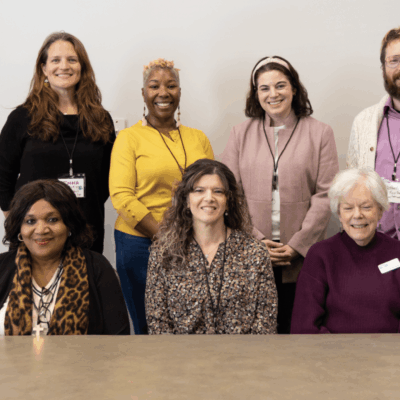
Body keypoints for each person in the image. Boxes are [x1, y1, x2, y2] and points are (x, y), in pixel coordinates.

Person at [222, 56, 339, 334]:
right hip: (251, 251)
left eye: (280, 85)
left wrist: (298, 244)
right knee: (255, 334)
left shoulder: (320, 133)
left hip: (301, 255)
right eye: (264, 88)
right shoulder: (240, 134)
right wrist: (258, 240)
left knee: (296, 330)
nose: (273, 94)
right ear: (256, 94)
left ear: (294, 88)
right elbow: (230, 195)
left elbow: (326, 194)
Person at [109, 58, 214, 335]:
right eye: (154, 86)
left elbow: (211, 190)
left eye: (171, 85)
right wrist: (165, 237)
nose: (163, 92)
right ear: (143, 94)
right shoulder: (128, 139)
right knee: (148, 326)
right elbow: (121, 196)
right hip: (139, 244)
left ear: (180, 92)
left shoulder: (198, 138)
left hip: (193, 242)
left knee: (190, 322)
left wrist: (190, 237)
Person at [0, 32, 115, 254]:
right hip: (37, 235)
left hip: (86, 229)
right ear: (44, 69)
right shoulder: (22, 117)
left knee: (82, 288)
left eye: (72, 60)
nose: (64, 66)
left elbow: (107, 178)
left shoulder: (101, 119)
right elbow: (2, 175)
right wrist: (19, 219)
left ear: (82, 67)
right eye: (55, 60)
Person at [145, 159, 277, 334]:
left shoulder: (255, 252)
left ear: (228, 201)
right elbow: (157, 323)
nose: (209, 198)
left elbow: (266, 321)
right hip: (180, 358)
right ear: (185, 199)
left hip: (244, 358)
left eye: (218, 191)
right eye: (199, 190)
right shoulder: (163, 253)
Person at [0, 180, 129, 336]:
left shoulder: (97, 267)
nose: (41, 230)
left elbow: (118, 341)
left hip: (85, 360)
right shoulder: (2, 267)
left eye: (52, 219)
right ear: (19, 228)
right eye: (30, 221)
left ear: (70, 225)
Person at [291, 168, 400, 334]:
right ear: (339, 214)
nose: (357, 215)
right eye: (348, 208)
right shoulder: (320, 255)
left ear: (380, 211)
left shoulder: (397, 252)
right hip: (334, 357)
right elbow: (304, 327)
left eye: (366, 207)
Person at [347, 27, 400, 240]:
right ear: (383, 67)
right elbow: (352, 188)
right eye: (394, 61)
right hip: (376, 246)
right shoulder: (363, 123)